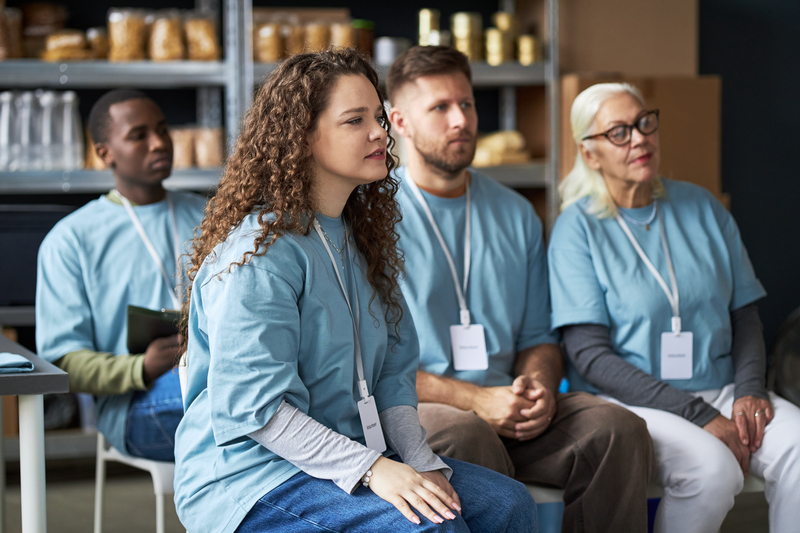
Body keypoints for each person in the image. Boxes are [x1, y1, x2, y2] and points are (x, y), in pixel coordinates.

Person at [173, 48, 537, 533]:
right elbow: (256, 412)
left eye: (379, 118)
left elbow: (390, 377)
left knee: (508, 505)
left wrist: (418, 458)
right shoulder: (258, 255)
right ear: (301, 138)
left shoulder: (362, 236)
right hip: (253, 477)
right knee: (432, 528)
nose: (379, 133)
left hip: (351, 454)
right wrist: (375, 470)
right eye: (354, 121)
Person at [386, 45, 653, 533]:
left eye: (466, 104)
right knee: (467, 433)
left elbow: (538, 337)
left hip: (510, 405)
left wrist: (540, 391)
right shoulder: (374, 218)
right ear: (400, 121)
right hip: (420, 412)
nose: (460, 120)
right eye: (440, 108)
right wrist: (475, 400)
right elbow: (373, 362)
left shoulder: (515, 212)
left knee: (617, 429)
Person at [548, 82, 800, 533]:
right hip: (632, 402)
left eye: (645, 123)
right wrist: (698, 414)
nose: (640, 138)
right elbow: (589, 355)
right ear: (590, 154)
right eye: (619, 132)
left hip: (722, 388)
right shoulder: (576, 229)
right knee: (712, 470)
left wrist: (749, 390)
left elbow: (744, 315)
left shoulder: (703, 206)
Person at [36, 89, 207, 461]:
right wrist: (140, 368)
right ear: (104, 153)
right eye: (138, 135)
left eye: (163, 130)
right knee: (235, 400)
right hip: (135, 404)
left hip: (216, 371)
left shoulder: (213, 215)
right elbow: (62, 360)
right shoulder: (71, 239)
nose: (159, 143)